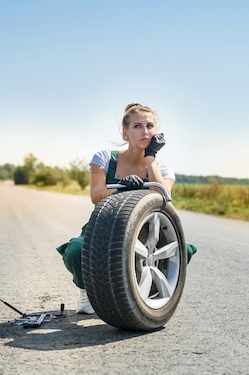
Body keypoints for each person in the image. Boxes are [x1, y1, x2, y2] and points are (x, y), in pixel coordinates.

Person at [56, 103, 197, 314]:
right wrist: (121, 188)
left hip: (147, 232)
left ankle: (150, 294)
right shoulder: (104, 158)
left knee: (181, 250)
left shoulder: (163, 169)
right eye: (138, 126)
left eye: (150, 126)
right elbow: (96, 196)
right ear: (125, 132)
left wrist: (151, 158)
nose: (145, 131)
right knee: (76, 251)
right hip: (107, 223)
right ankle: (87, 292)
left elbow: (163, 199)